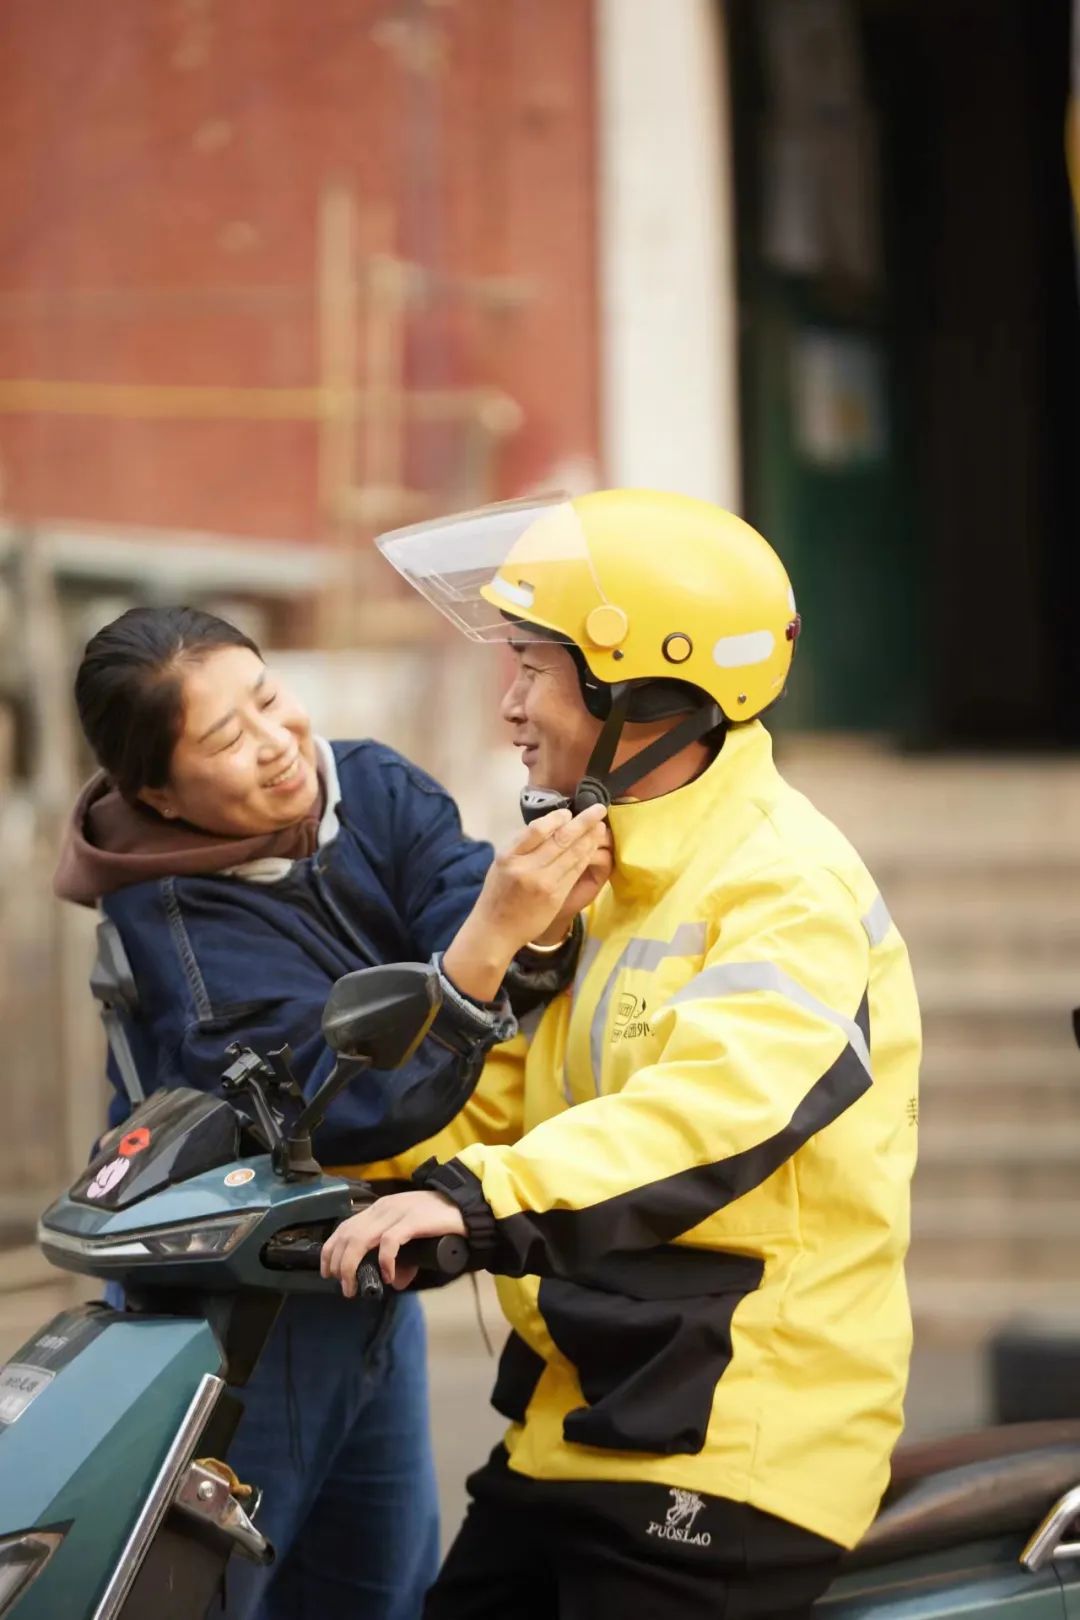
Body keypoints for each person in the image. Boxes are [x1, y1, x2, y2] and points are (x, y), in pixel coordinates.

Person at [323, 490, 922, 1620]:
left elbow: (719, 1115)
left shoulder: (784, 885)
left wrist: (476, 1202)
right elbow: (487, 1107)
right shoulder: (588, 872)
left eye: (532, 669)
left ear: (639, 692)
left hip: (731, 1442)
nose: (509, 705)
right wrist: (358, 1164)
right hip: (578, 1423)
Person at [54, 605, 609, 1620]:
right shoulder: (174, 922)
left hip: (360, 1271)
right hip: (231, 1315)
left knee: (381, 1589)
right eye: (226, 739)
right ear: (156, 794)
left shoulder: (372, 786)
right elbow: (345, 1104)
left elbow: (463, 900)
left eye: (269, 698)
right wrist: (488, 949)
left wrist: (505, 941)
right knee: (219, 1594)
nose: (278, 744)